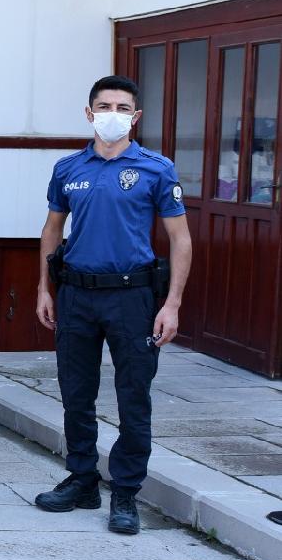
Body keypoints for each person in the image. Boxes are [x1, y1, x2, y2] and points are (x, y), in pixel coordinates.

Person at [33, 75, 192, 535]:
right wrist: (44, 288)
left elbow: (180, 239)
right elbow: (52, 229)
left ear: (135, 117)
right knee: (76, 393)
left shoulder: (156, 168)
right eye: (104, 107)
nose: (112, 115)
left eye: (123, 108)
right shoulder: (68, 168)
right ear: (89, 113)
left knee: (133, 396)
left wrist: (172, 304)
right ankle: (82, 479)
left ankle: (125, 491)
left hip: (132, 298)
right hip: (77, 295)